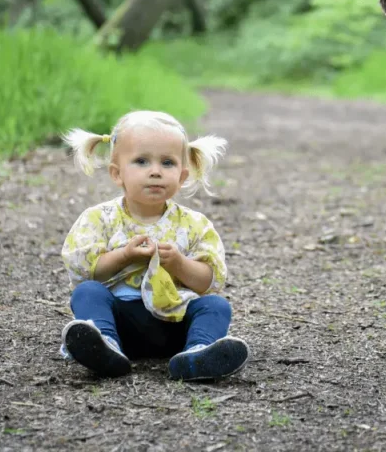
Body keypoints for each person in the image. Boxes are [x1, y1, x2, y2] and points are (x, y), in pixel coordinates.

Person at [56, 110, 249, 381]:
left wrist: (180, 264)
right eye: (142, 161)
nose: (155, 171)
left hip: (175, 324)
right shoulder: (98, 219)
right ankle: (104, 346)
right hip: (119, 321)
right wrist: (124, 255)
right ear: (117, 173)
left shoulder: (194, 224)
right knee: (87, 292)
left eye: (167, 163)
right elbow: (86, 272)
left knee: (216, 305)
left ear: (182, 177)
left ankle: (198, 352)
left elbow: (208, 281)